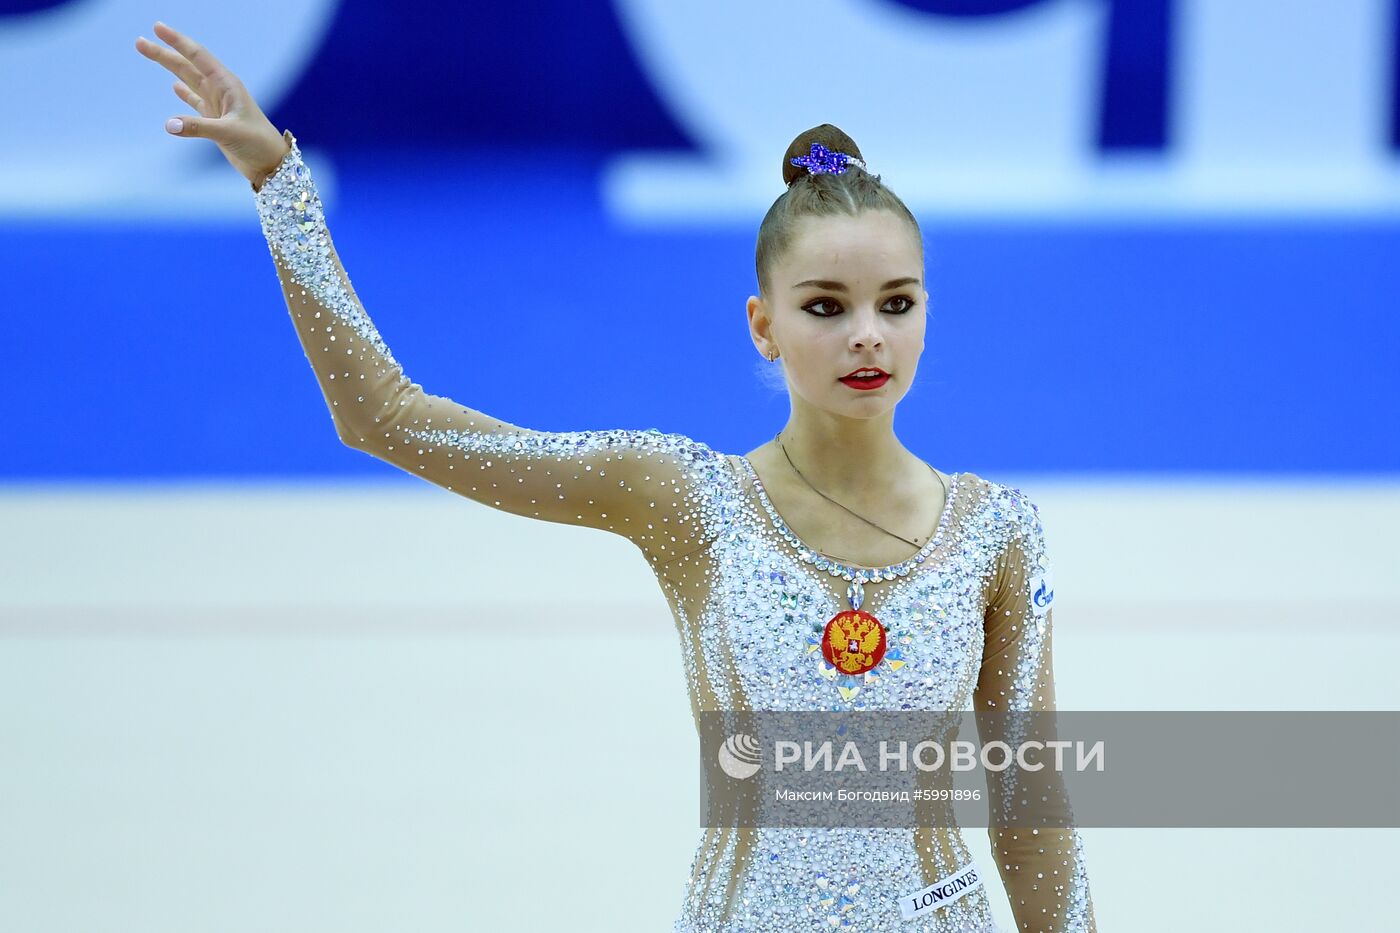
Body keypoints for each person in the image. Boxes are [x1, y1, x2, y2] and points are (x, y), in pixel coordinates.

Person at [136, 21, 1096, 932]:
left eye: (897, 302)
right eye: (825, 305)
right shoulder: (685, 497)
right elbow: (381, 415)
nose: (866, 336)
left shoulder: (997, 532)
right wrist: (277, 180)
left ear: (929, 309)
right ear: (762, 323)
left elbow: (1033, 811)